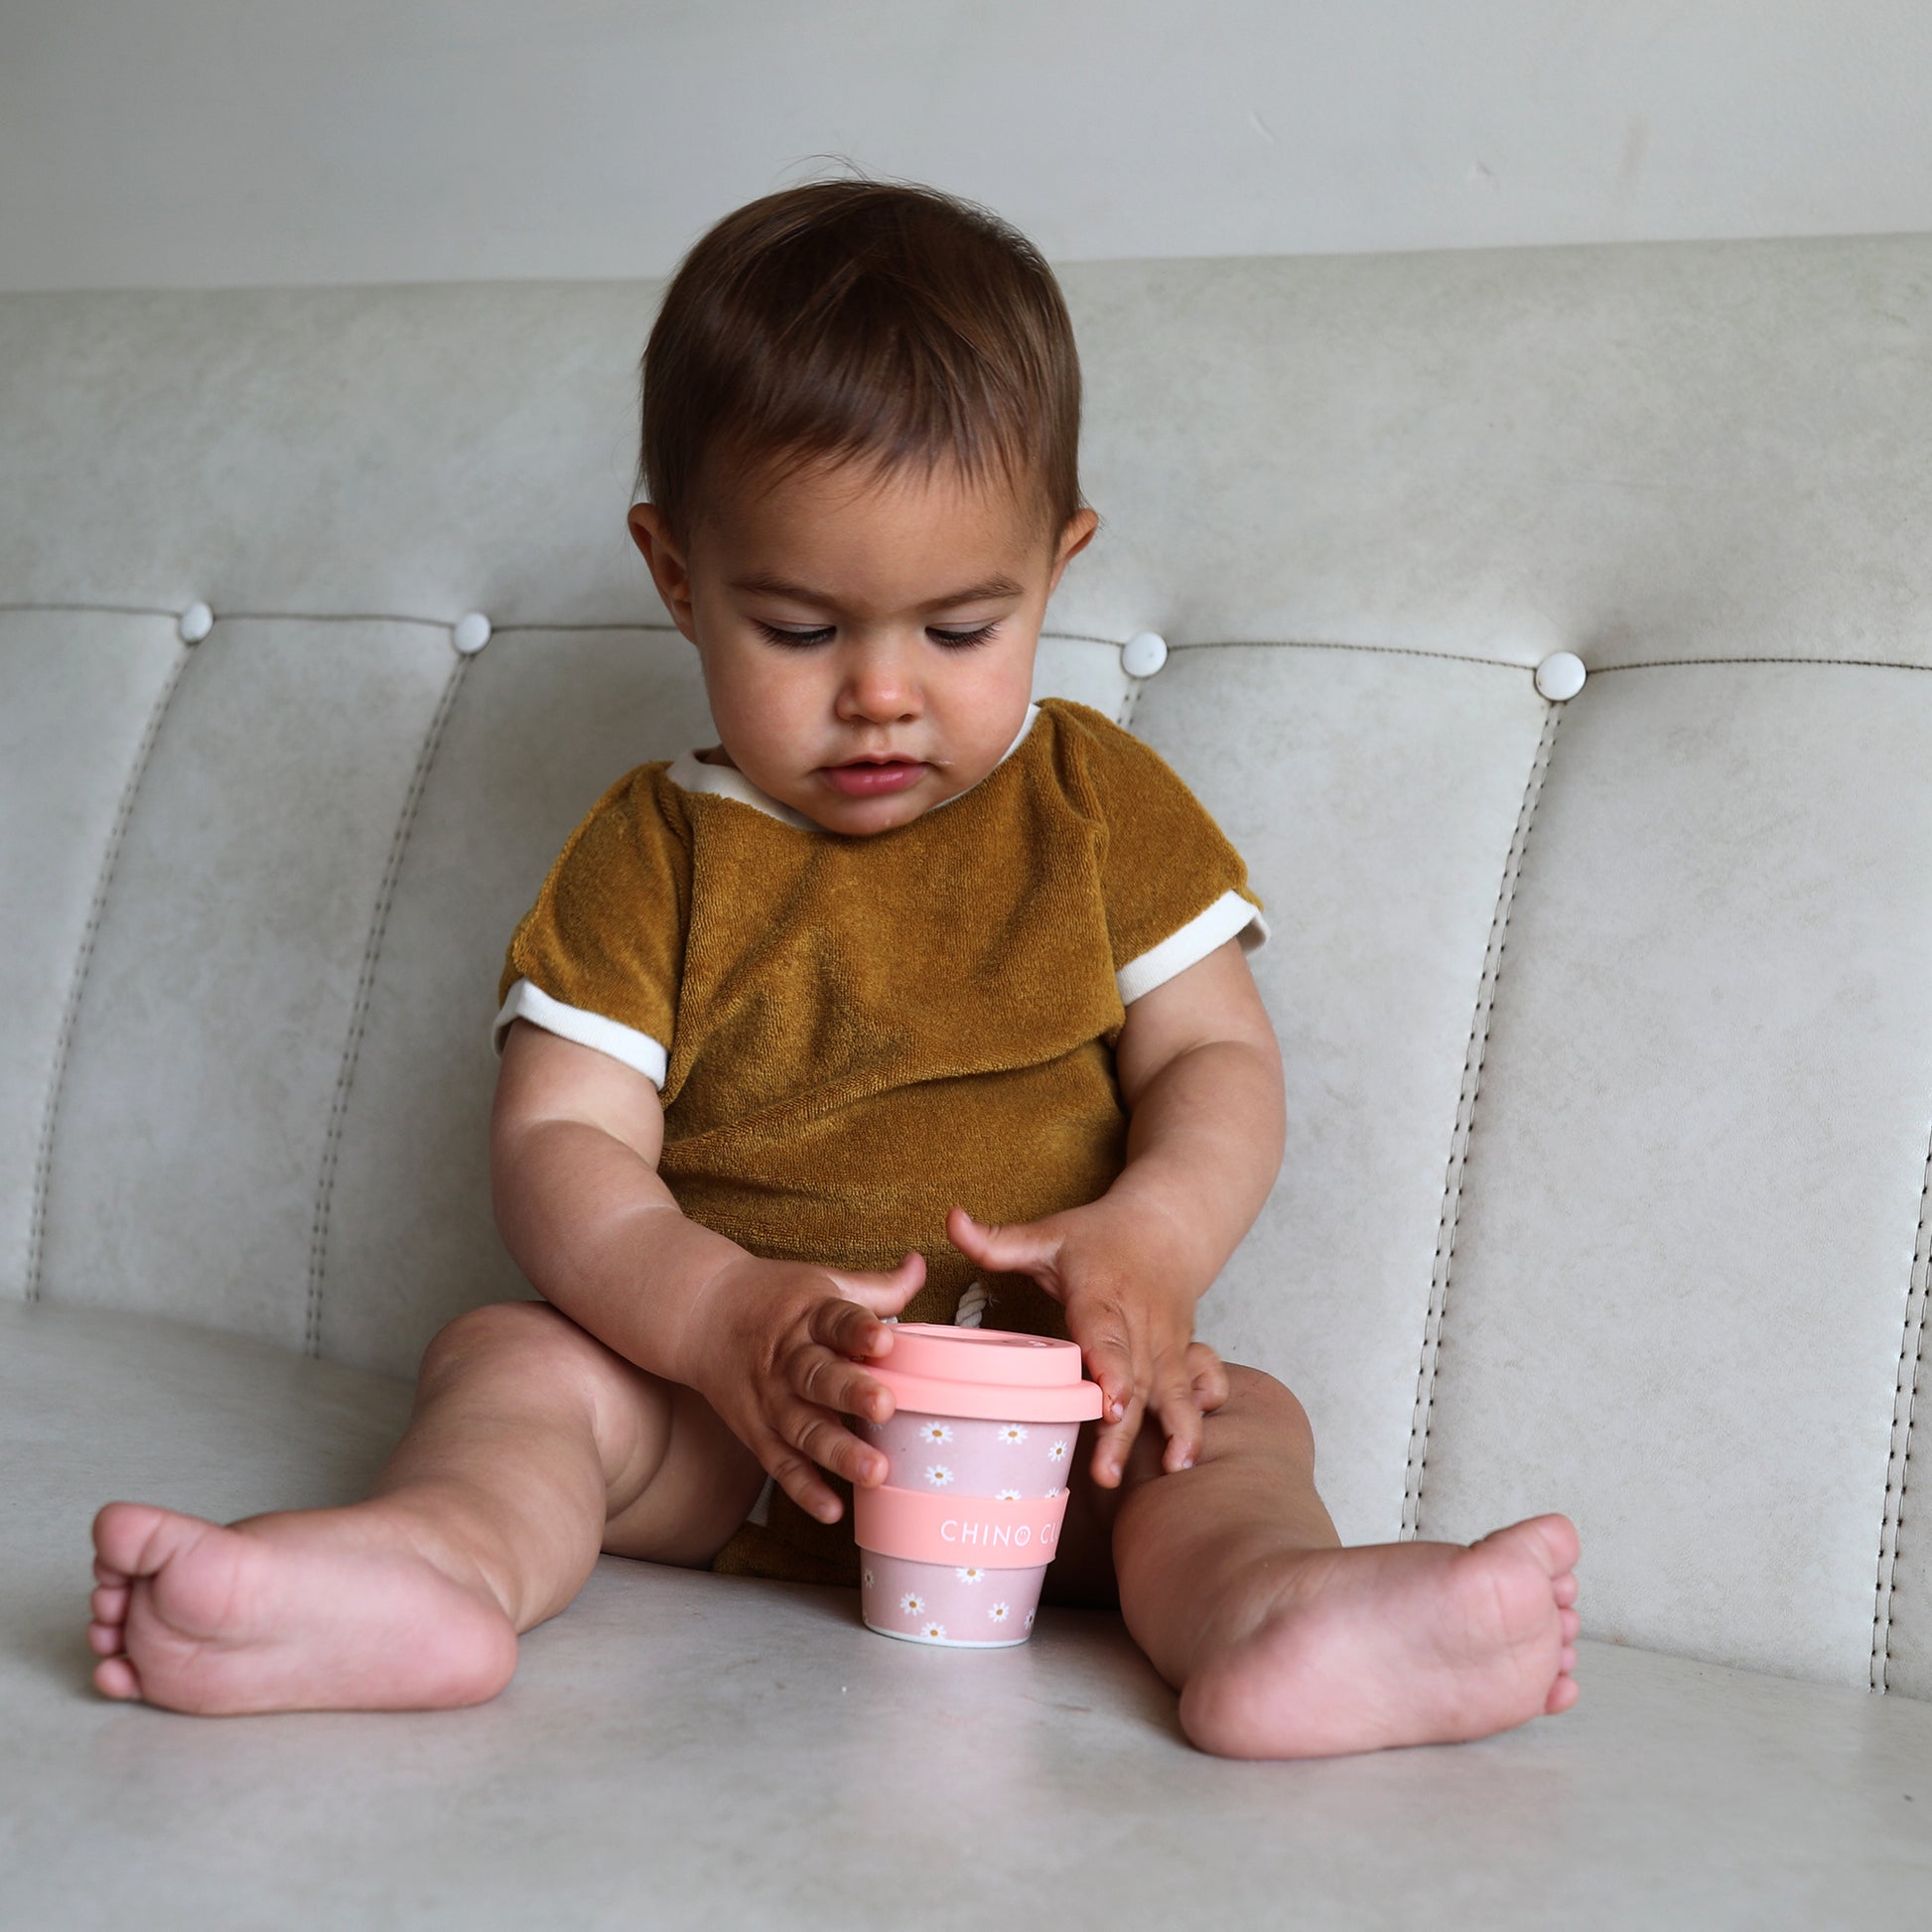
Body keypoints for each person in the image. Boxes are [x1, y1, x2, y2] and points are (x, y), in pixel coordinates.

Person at [84, 176, 1580, 1758]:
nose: (880, 694)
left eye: (956, 629)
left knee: (1239, 1424)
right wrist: (721, 1315)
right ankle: (435, 1564)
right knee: (510, 1362)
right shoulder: (654, 851)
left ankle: (1279, 1617)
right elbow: (559, 1142)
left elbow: (1217, 1062)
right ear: (678, 578)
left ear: (1055, 568)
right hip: (729, 1428)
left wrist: (1150, 1239)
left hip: (1049, 1428)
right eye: (799, 630)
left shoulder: (1097, 810)